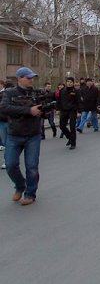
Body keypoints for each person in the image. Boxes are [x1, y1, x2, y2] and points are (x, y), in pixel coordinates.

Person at [0, 67, 44, 205]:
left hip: (33, 134)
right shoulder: (9, 93)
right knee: (10, 164)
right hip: (14, 134)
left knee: (32, 167)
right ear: (20, 78)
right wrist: (28, 110)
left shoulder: (36, 93)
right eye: (28, 78)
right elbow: (4, 108)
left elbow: (42, 109)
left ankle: (30, 193)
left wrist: (45, 111)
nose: (31, 80)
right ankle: (20, 185)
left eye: (32, 78)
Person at [58, 77, 81, 150]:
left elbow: (79, 102)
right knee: (62, 126)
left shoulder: (76, 91)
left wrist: (79, 111)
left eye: (71, 82)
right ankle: (70, 138)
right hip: (64, 110)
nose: (69, 83)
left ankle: (73, 143)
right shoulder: (62, 90)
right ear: (66, 82)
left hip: (72, 111)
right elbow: (59, 100)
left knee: (72, 127)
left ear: (73, 83)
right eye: (68, 82)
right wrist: (57, 109)